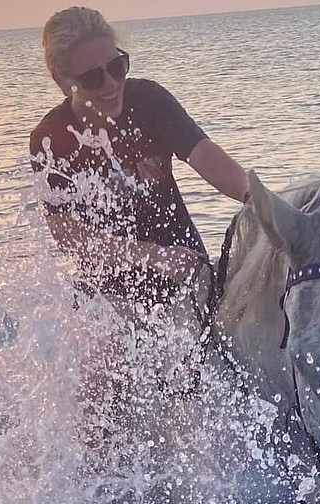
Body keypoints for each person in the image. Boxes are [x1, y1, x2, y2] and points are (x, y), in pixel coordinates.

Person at [30, 6, 249, 306]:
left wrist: (265, 205)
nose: (111, 84)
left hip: (190, 275)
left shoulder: (149, 101)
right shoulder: (52, 138)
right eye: (93, 78)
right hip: (109, 297)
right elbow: (68, 235)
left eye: (117, 67)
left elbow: (207, 157)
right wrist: (156, 257)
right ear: (63, 82)